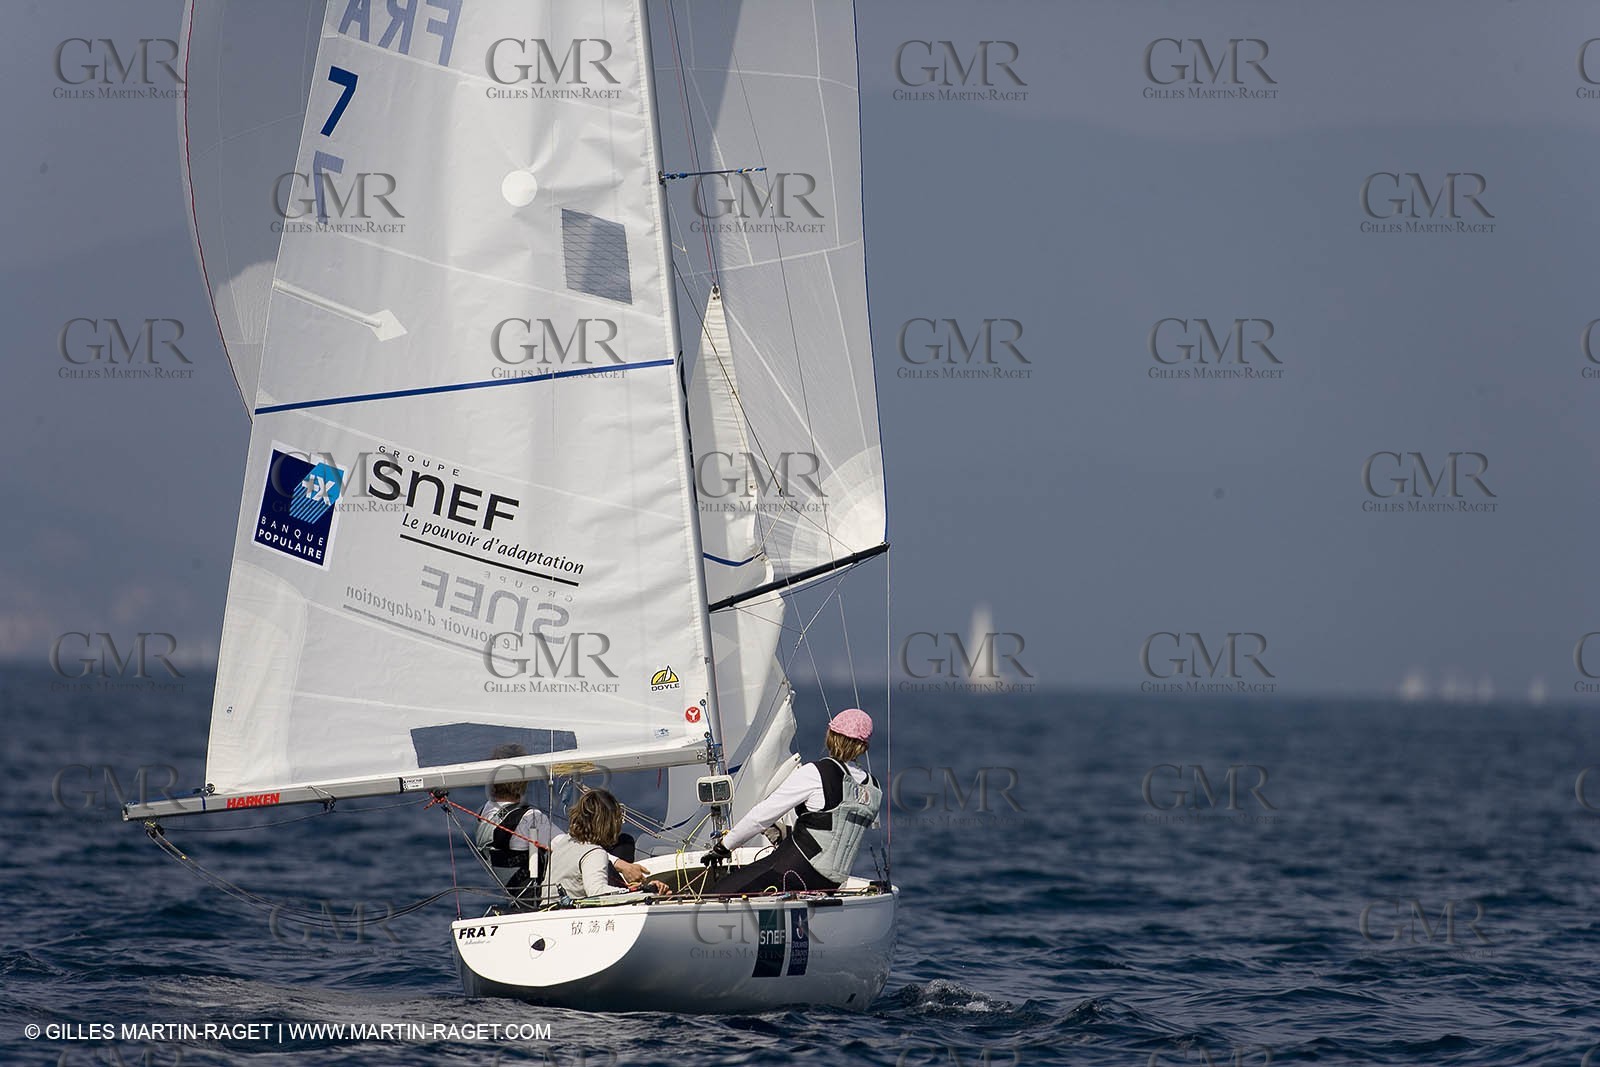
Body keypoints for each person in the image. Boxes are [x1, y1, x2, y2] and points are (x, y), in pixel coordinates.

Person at [703, 708, 882, 894]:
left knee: (717, 894)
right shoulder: (874, 788)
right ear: (864, 746)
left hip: (792, 869)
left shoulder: (817, 773)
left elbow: (761, 816)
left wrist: (724, 846)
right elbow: (836, 825)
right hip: (831, 882)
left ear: (831, 736)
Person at [476, 746, 647, 893]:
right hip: (542, 893)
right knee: (623, 843)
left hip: (517, 893)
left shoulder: (485, 812)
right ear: (523, 780)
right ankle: (627, 888)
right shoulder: (529, 819)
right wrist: (623, 865)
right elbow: (572, 848)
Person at [547, 789, 669, 899]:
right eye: (618, 819)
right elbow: (597, 892)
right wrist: (646, 893)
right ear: (609, 823)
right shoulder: (594, 853)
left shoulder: (563, 845)